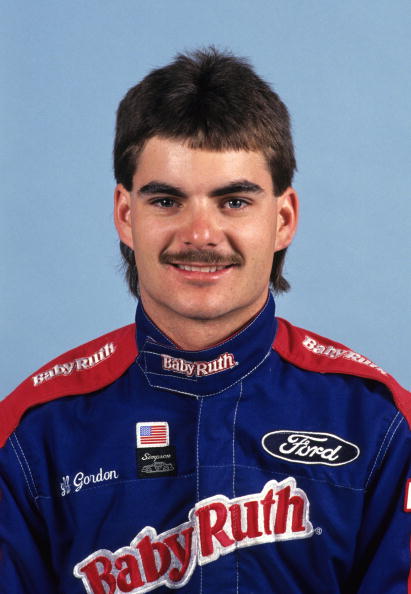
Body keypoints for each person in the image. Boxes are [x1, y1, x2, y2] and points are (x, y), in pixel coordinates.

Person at [0, 48, 410, 594]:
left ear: (283, 218)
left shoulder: (379, 424)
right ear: (126, 214)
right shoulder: (32, 433)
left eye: (234, 201)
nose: (200, 235)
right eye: (167, 201)